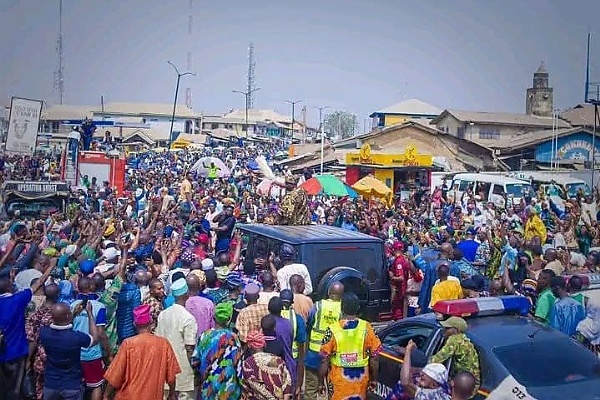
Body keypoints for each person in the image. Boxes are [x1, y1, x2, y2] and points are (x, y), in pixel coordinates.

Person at [104, 304, 181, 400]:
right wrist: (172, 393)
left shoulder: (128, 344)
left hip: (128, 396)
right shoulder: (163, 344)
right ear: (151, 322)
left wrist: (106, 395)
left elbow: (115, 375)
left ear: (134, 324)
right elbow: (171, 375)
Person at [319, 293, 382, 400]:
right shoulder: (367, 328)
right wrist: (374, 379)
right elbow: (374, 358)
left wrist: (320, 383)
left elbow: (324, 360)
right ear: (358, 307)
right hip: (360, 382)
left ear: (342, 307)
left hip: (338, 381)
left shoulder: (332, 329)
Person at [40, 301, 100, 400]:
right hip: (72, 385)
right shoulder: (76, 337)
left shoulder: (44, 333)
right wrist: (90, 314)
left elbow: (60, 322)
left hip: (51, 384)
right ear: (68, 316)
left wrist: (73, 314)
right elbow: (95, 338)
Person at [155, 278, 198, 400]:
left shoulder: (163, 314)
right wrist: (195, 370)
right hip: (184, 372)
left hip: (166, 370)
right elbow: (190, 347)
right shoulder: (188, 318)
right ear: (187, 294)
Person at [193, 302, 243, 399]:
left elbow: (195, 361)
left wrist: (198, 377)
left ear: (214, 318)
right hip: (228, 389)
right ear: (228, 320)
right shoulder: (233, 337)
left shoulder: (204, 336)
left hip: (208, 387)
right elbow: (238, 364)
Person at [71, 277, 109, 400]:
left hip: (75, 353)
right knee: (96, 386)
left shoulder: (72, 305)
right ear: (92, 287)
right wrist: (108, 351)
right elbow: (101, 333)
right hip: (92, 354)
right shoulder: (99, 306)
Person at [304, 281, 343, 400]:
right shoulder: (342, 309)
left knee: (311, 389)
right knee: (334, 389)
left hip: (314, 351)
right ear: (341, 295)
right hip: (333, 354)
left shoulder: (318, 305)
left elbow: (309, 323)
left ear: (328, 292)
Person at [430, 317, 480, 391]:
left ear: (456, 330)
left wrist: (423, 366)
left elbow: (438, 358)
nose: (444, 330)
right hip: (471, 384)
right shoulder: (464, 339)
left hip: (463, 385)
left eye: (447, 328)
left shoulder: (455, 340)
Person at [241, 330, 293, 400]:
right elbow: (287, 386)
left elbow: (246, 391)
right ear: (263, 344)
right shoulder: (278, 360)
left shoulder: (247, 364)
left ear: (249, 346)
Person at [279, 289, 307, 397]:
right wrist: (299, 384)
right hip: (293, 359)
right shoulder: (297, 319)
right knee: (291, 390)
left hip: (276, 359)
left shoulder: (272, 316)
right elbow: (301, 348)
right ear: (292, 303)